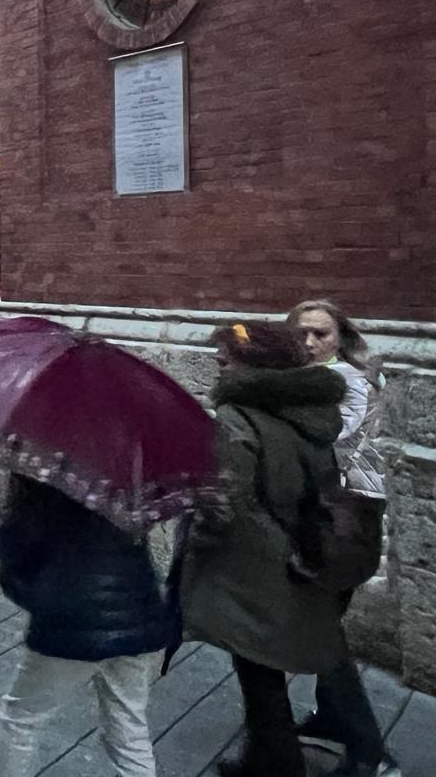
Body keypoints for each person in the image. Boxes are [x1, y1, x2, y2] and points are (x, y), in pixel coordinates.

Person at [180, 322, 359, 777]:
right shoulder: (310, 412)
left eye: (225, 358)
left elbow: (224, 503)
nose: (218, 365)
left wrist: (195, 544)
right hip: (299, 552)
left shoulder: (238, 418)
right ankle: (268, 757)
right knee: (264, 667)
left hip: (253, 567)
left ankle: (278, 764)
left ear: (252, 364)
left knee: (258, 672)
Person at [0, 476, 171, 776]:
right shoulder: (130, 475)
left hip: (74, 615)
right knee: (129, 728)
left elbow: (15, 544)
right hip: (135, 611)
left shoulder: (53, 473)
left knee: (20, 717)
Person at [286, 300, 398, 777]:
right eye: (301, 334)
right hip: (342, 521)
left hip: (341, 524)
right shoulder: (337, 378)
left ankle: (372, 753)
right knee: (326, 623)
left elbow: (326, 439)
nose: (309, 343)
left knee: (322, 633)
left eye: (320, 333)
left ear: (340, 336)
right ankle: (331, 717)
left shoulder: (345, 382)